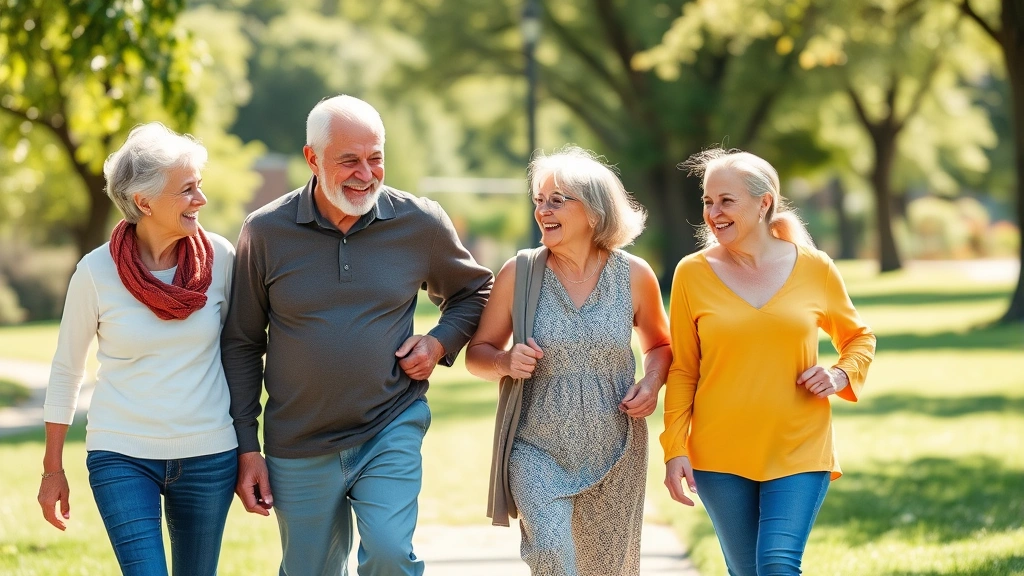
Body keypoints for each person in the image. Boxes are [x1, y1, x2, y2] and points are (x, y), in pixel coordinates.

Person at [221, 94, 493, 576]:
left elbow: (475, 291)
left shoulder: (419, 222)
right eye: (349, 161)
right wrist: (248, 447)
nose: (365, 174)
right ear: (312, 158)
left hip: (389, 423)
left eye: (375, 159)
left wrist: (438, 343)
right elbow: (242, 343)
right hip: (298, 440)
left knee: (390, 553)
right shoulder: (265, 232)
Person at [662, 148, 876, 575]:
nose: (713, 212)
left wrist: (839, 374)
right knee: (746, 571)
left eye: (726, 201)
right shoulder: (691, 272)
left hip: (798, 445)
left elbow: (858, 338)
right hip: (719, 453)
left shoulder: (815, 267)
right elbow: (684, 368)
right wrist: (674, 448)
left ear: (764, 204)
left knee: (777, 564)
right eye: (707, 201)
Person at [37, 122, 238, 575]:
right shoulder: (95, 272)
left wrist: (251, 452)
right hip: (121, 453)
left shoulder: (223, 260)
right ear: (144, 202)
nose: (200, 201)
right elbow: (67, 369)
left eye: (199, 186)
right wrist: (53, 470)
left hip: (209, 455)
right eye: (187, 190)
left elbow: (244, 354)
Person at [466, 146, 672, 576]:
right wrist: (505, 362)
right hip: (536, 449)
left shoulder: (634, 276)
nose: (542, 210)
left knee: (609, 569)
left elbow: (659, 346)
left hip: (617, 450)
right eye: (539, 201)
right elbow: (477, 354)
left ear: (594, 211)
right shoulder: (518, 273)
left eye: (557, 200)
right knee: (552, 555)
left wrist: (651, 384)